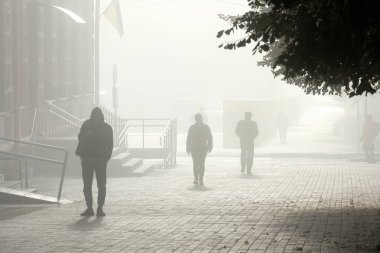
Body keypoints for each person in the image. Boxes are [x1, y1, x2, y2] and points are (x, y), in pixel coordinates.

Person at [75, 107, 113, 217]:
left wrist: (105, 159)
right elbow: (80, 137)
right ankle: (89, 207)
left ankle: (100, 208)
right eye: (94, 117)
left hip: (100, 159)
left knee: (101, 185)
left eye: (98, 117)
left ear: (101, 117)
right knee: (87, 185)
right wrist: (87, 134)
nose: (96, 119)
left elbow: (110, 145)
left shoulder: (107, 128)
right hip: (87, 158)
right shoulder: (87, 125)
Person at [186, 113, 213, 186]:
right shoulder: (192, 128)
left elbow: (210, 138)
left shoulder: (206, 127)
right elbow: (189, 138)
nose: (198, 120)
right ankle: (196, 179)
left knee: (201, 163)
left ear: (201, 119)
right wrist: (188, 147)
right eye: (197, 118)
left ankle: (201, 179)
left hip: (203, 147)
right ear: (195, 119)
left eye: (199, 118)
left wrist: (210, 146)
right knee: (195, 163)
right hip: (194, 147)